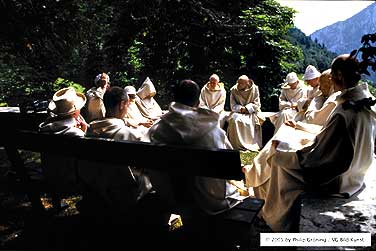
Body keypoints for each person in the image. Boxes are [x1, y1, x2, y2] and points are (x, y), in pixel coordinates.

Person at [244, 54, 376, 232]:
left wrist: (284, 151)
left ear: (337, 76)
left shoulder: (343, 111)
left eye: (330, 77)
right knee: (283, 147)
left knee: (276, 160)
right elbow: (330, 137)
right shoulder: (365, 100)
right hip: (356, 172)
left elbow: (317, 160)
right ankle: (263, 193)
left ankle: (277, 220)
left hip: (338, 180)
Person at [146, 79, 244, 215]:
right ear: (198, 102)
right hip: (208, 200)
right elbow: (230, 161)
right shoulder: (214, 130)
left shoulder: (156, 129)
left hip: (171, 197)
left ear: (174, 99)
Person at [83, 86, 153, 213]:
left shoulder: (89, 131)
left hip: (97, 189)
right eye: (128, 105)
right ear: (122, 104)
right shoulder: (128, 134)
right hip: (126, 191)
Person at [39, 87, 88, 207]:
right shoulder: (76, 134)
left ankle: (57, 202)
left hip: (49, 175)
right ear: (75, 112)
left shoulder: (44, 129)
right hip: (70, 179)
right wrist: (84, 132)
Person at [227, 75, 263, 151]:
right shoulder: (234, 89)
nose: (238, 85)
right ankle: (236, 144)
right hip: (238, 112)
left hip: (251, 112)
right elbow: (232, 104)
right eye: (238, 83)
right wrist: (240, 108)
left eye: (241, 83)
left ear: (247, 83)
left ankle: (248, 144)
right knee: (234, 120)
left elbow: (257, 104)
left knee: (248, 123)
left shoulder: (254, 89)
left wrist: (247, 108)